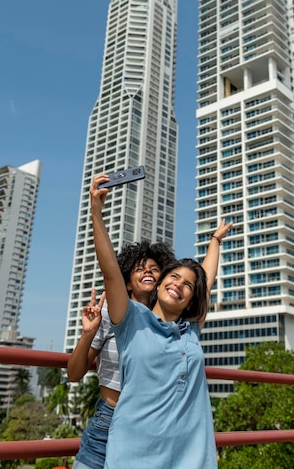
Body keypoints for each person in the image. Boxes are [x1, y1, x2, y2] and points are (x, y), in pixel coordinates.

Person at [90, 173, 232, 469]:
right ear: (160, 283)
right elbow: (111, 271)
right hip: (134, 450)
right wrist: (96, 213)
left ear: (193, 299)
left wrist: (215, 241)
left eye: (188, 285)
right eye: (174, 277)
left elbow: (208, 277)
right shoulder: (131, 319)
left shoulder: (190, 330)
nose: (180, 285)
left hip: (188, 454)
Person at [68, 237, 175, 469]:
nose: (148, 271)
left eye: (155, 269)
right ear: (126, 283)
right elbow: (74, 374)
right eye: (140, 269)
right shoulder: (109, 314)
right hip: (109, 419)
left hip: (149, 427)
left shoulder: (167, 324)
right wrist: (88, 333)